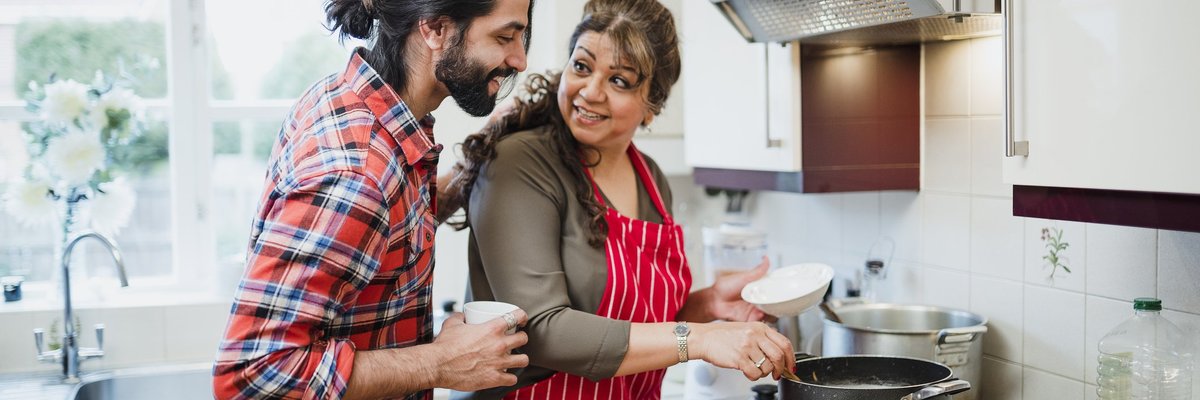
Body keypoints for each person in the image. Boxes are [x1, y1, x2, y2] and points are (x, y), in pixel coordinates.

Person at [439, 0, 795, 398]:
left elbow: (637, 321)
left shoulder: (652, 179)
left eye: (620, 81)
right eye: (582, 66)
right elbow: (541, 329)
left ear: (651, 107)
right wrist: (699, 338)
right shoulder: (521, 163)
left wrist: (708, 305)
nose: (590, 92)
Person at [213, 1, 539, 399]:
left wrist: (480, 154)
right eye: (504, 37)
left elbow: (385, 230)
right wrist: (440, 362)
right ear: (435, 29)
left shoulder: (351, 101)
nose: (519, 59)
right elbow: (252, 374)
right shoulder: (354, 174)